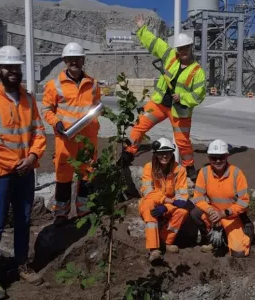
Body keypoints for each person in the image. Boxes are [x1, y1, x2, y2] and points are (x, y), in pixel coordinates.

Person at [120, 14, 206, 181]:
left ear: (190, 47)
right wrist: (141, 29)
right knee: (139, 126)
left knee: (183, 142)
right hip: (159, 104)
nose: (183, 51)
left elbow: (199, 95)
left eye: (186, 48)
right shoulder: (170, 56)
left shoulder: (198, 72)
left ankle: (189, 168)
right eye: (180, 49)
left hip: (179, 110)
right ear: (177, 50)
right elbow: (154, 43)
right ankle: (127, 155)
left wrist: (182, 97)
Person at [0, 45, 46, 298]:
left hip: (25, 171)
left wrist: (34, 156)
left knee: (24, 220)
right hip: (0, 173)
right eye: (8, 67)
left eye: (16, 67)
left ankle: (22, 264)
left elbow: (39, 130)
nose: (13, 71)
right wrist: (16, 163)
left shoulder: (28, 98)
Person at [42, 42, 102, 226]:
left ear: (83, 60)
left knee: (86, 174)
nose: (74, 62)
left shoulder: (93, 84)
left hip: (87, 138)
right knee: (63, 176)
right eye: (70, 59)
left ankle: (83, 210)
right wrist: (56, 123)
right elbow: (47, 109)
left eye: (77, 59)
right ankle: (61, 213)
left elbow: (97, 105)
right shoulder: (54, 85)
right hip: (65, 139)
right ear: (65, 61)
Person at [190, 139, 252, 258]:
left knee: (239, 252)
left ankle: (248, 230)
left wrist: (224, 213)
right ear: (209, 158)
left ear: (227, 156)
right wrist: (211, 211)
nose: (218, 161)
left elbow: (244, 201)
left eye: (221, 157)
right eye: (214, 157)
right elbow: (198, 198)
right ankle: (211, 239)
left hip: (231, 215)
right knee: (195, 213)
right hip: (213, 215)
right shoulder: (204, 172)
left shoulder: (236, 173)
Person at [139, 137, 189, 264]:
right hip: (153, 202)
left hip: (168, 206)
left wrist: (167, 207)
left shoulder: (180, 170)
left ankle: (165, 242)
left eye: (167, 152)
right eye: (161, 153)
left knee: (183, 212)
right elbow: (147, 191)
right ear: (155, 154)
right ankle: (154, 249)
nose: (164, 156)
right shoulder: (148, 167)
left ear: (172, 153)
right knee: (148, 204)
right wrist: (165, 200)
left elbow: (182, 199)